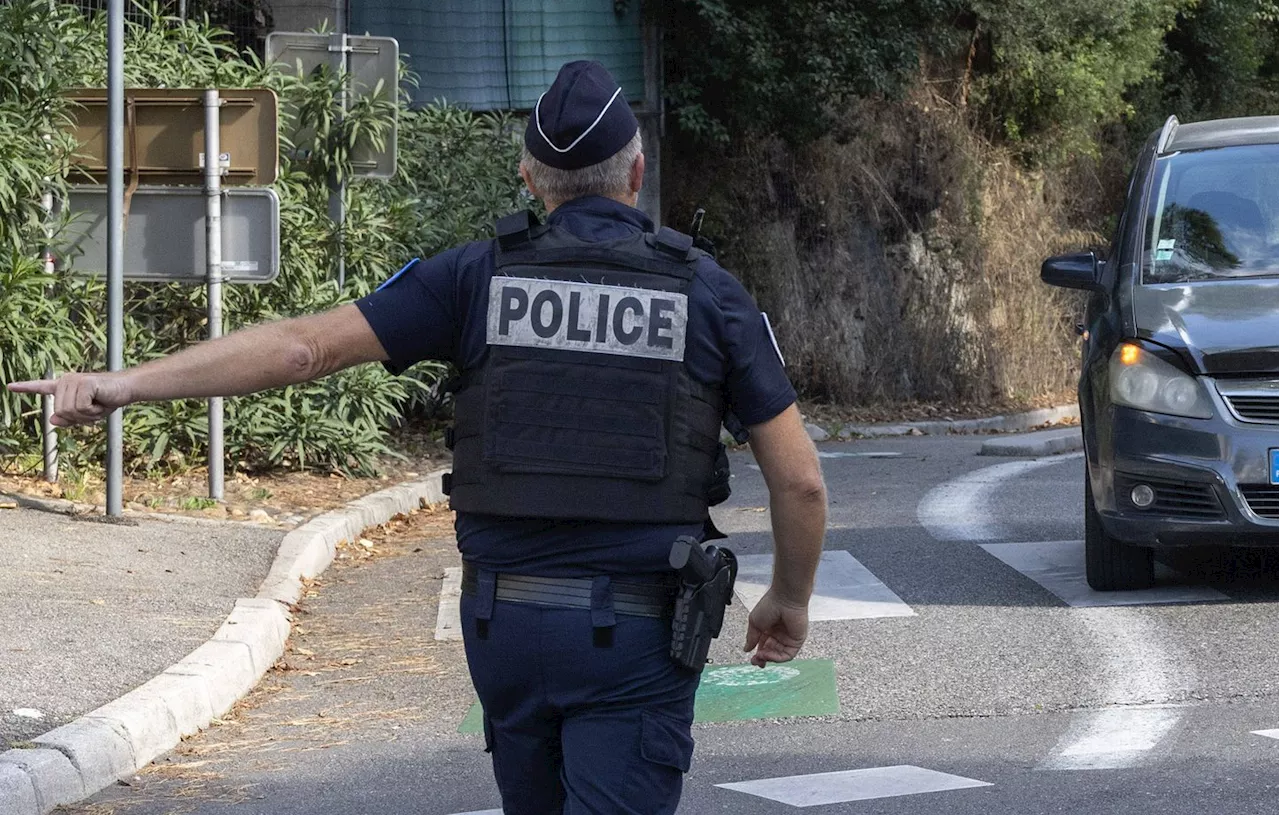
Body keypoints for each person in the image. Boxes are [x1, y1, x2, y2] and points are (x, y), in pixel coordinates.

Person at [8, 60, 826, 814]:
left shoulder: (474, 276)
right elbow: (799, 483)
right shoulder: (707, 293)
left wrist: (120, 385)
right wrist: (786, 598)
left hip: (504, 631)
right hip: (635, 642)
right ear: (637, 175)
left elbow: (304, 348)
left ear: (530, 177)